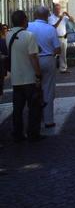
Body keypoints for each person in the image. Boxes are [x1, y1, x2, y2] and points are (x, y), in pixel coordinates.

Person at [6, 10, 43, 142]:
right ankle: (33, 133)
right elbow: (33, 57)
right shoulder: (29, 36)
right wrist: (38, 74)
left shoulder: (8, 35)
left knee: (17, 109)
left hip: (16, 78)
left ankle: (18, 133)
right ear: (24, 20)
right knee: (34, 108)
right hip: (29, 77)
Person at [28, 6, 60, 129]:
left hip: (32, 59)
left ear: (35, 15)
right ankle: (48, 120)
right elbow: (57, 49)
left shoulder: (29, 27)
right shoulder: (51, 29)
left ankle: (34, 118)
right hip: (47, 59)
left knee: (33, 89)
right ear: (47, 16)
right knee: (48, 90)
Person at [48, 2, 74, 73]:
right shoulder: (51, 18)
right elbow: (53, 27)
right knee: (54, 54)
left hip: (63, 38)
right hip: (56, 38)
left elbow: (72, 20)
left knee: (63, 54)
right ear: (54, 10)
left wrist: (67, 14)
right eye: (56, 9)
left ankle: (63, 69)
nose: (58, 11)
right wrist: (60, 19)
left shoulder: (64, 17)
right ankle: (51, 69)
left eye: (59, 9)